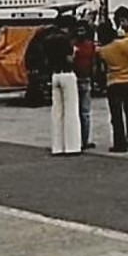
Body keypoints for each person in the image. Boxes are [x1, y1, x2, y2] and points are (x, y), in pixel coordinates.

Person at [97, 19, 128, 152]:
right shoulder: (125, 43)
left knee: (116, 116)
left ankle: (120, 143)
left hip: (113, 82)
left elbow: (101, 66)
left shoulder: (103, 50)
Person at [43, 18, 80, 155]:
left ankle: (57, 147)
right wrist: (75, 52)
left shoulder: (48, 40)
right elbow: (69, 59)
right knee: (71, 111)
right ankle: (72, 146)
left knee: (57, 112)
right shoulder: (65, 40)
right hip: (67, 74)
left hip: (54, 75)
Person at [72, 21, 97, 148]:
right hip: (84, 79)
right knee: (85, 112)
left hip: (77, 79)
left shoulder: (73, 45)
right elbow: (93, 63)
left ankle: (78, 139)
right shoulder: (90, 45)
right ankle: (84, 140)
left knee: (78, 111)